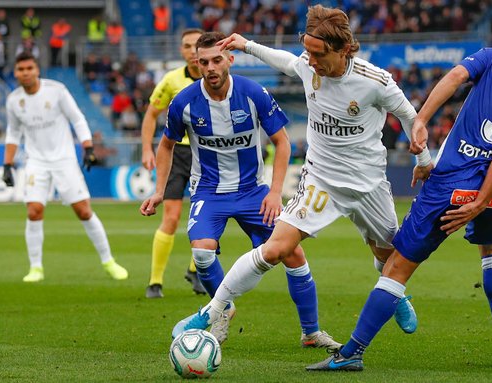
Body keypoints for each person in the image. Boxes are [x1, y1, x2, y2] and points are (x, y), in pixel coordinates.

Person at [307, 19, 492, 371]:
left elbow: (454, 78)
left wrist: (421, 120)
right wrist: (481, 201)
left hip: (450, 183)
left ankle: (352, 352)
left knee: (398, 266)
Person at [170, 4, 429, 344]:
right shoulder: (309, 67)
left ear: (342, 49)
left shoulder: (375, 82)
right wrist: (247, 45)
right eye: (307, 50)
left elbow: (410, 116)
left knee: (388, 257)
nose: (310, 60)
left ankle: (398, 294)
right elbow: (285, 61)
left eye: (317, 53)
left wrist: (422, 158)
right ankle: (214, 309)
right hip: (320, 181)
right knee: (276, 248)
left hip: (368, 185)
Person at [140, 31, 341, 350]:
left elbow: (282, 142)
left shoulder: (253, 93)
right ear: (196, 63)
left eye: (217, 60)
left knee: (292, 252)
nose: (211, 67)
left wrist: (275, 193)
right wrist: (159, 191)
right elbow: (165, 146)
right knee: (202, 251)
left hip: (253, 192)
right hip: (209, 191)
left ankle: (311, 332)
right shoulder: (185, 102)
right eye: (203, 62)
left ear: (229, 60)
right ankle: (222, 309)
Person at [1, 52, 128, 282]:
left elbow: (77, 119)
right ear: (16, 73)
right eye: (21, 69)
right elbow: (13, 133)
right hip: (35, 162)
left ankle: (109, 261)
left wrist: (88, 148)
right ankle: (36, 268)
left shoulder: (56, 90)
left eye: (29, 68)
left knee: (83, 210)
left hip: (64, 160)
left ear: (37, 69)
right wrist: (8, 164)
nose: (26, 73)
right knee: (34, 211)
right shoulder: (14, 101)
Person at [141, 29, 206, 298]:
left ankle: (195, 269)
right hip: (177, 156)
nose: (192, 50)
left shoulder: (217, 77)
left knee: (206, 217)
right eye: (187, 46)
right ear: (181, 51)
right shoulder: (171, 80)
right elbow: (151, 114)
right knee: (171, 217)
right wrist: (146, 148)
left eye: (197, 45)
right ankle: (155, 282)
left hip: (207, 155)